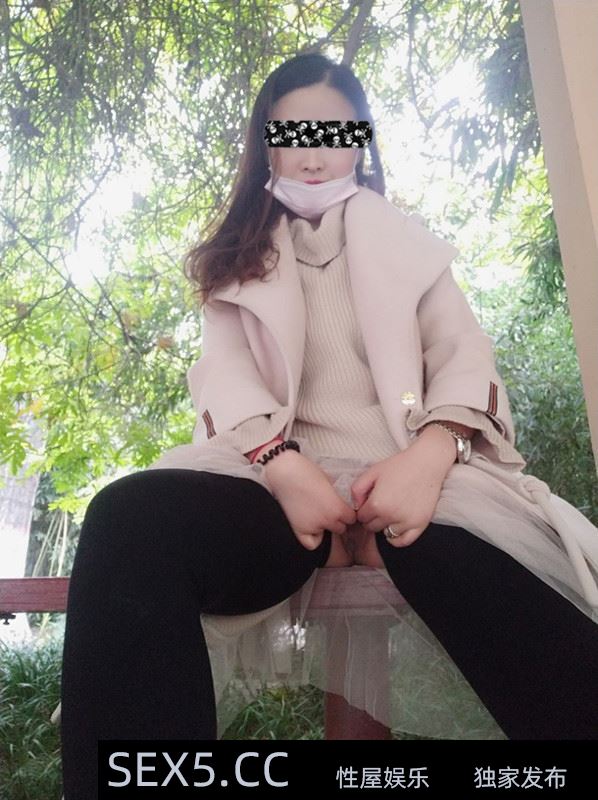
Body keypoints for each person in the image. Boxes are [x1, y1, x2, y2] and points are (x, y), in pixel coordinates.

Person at [60, 52, 598, 798]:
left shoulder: (412, 247)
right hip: (274, 484)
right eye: (292, 134)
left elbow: (464, 356)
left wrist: (430, 456)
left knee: (511, 594)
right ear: (267, 147)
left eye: (333, 131)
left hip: (410, 483)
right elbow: (226, 376)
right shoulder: (234, 260)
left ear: (359, 141)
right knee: (130, 519)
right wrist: (283, 465)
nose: (312, 152)